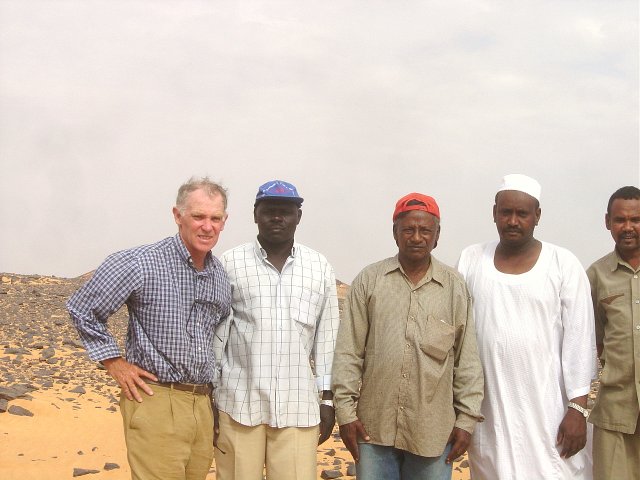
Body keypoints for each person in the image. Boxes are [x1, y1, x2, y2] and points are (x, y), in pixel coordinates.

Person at [67, 177, 231, 480]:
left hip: (201, 405)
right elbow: (82, 308)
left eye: (215, 218)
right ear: (177, 215)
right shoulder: (140, 262)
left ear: (224, 222)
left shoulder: (220, 276)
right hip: (156, 399)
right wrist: (114, 362)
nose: (207, 226)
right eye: (198, 216)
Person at [332, 193, 484, 480]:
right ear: (395, 233)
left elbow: (467, 360)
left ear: (437, 236)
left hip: (433, 434)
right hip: (373, 429)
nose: (416, 237)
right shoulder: (370, 280)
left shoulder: (454, 288)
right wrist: (347, 414)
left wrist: (466, 420)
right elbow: (349, 352)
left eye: (425, 230)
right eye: (408, 230)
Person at [457, 174, 597, 479]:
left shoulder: (563, 263)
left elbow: (579, 339)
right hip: (489, 408)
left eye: (522, 213)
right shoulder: (471, 259)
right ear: (494, 212)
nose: (513, 221)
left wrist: (578, 409)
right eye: (506, 212)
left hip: (549, 409)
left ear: (537, 216)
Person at [213, 180, 340, 480]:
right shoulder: (230, 263)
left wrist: (327, 399)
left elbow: (327, 340)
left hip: (298, 408)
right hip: (238, 406)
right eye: (269, 211)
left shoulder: (318, 266)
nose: (277, 218)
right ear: (256, 214)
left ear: (299, 216)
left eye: (286, 211)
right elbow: (218, 335)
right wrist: (212, 395)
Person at [587, 185, 640, 479]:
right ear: (608, 221)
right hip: (614, 415)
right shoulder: (596, 275)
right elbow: (591, 340)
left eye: (636, 219)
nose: (628, 227)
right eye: (620, 220)